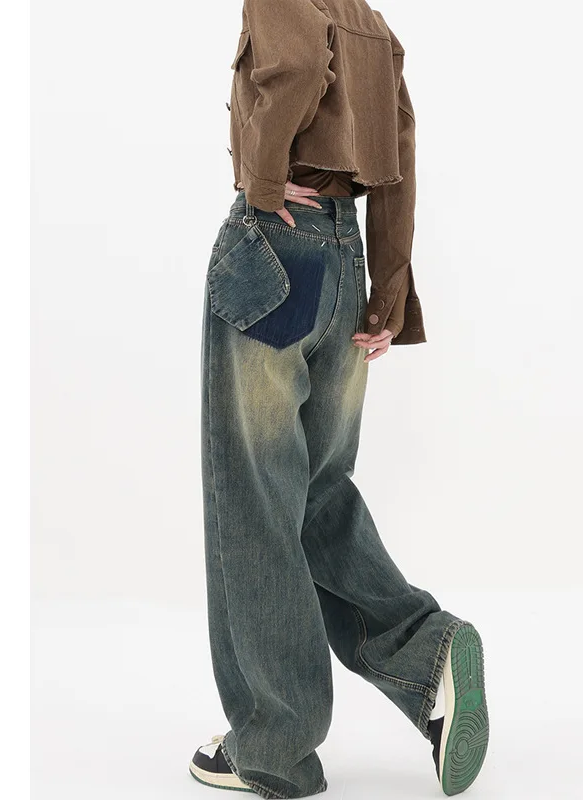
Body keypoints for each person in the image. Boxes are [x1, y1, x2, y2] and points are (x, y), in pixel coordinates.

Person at [189, 1, 488, 797]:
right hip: (345, 255)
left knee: (256, 498)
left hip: (275, 249)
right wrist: (389, 289)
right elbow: (400, 152)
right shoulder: (371, 23)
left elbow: (292, 68)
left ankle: (275, 745)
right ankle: (426, 652)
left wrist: (260, 184)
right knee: (317, 492)